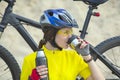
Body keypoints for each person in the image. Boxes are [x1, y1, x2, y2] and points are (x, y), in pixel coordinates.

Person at [20, 9, 105, 80]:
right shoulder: (30, 60)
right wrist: (32, 78)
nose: (70, 36)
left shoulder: (73, 56)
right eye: (66, 32)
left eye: (71, 32)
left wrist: (87, 57)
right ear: (51, 35)